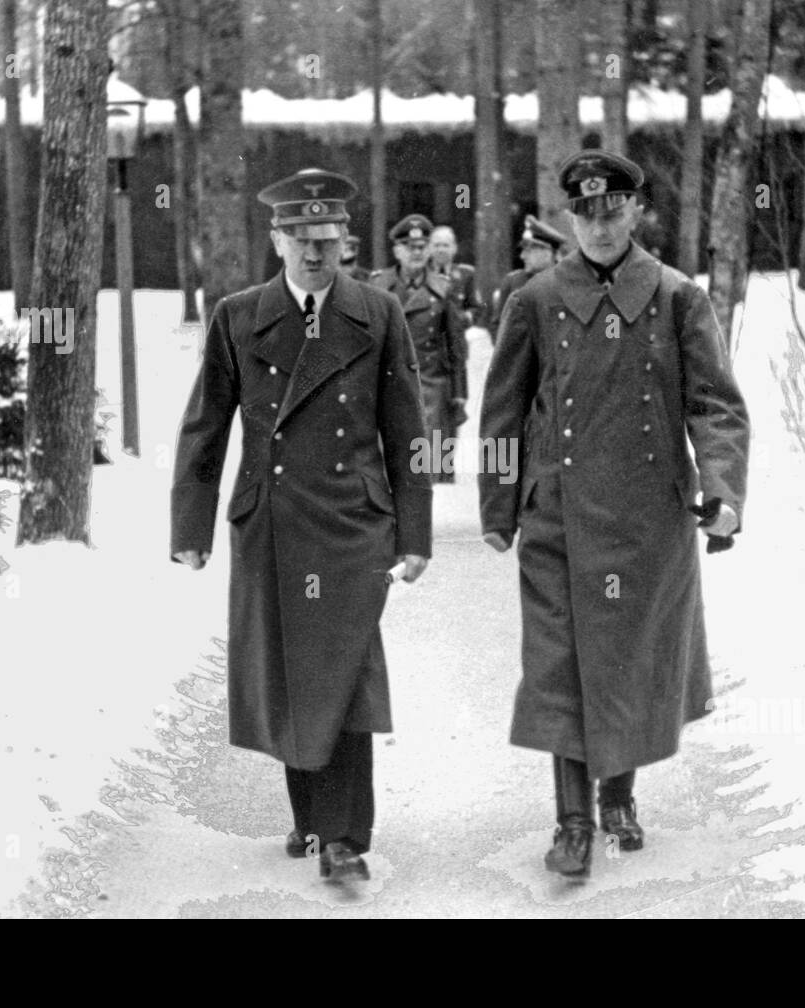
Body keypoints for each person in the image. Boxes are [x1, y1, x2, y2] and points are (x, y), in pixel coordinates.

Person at [478, 149, 751, 878]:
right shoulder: (534, 301)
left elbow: (716, 405)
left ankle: (619, 798)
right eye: (586, 213)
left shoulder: (678, 299)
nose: (599, 227)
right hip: (558, 518)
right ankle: (572, 823)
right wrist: (498, 505)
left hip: (646, 522)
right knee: (562, 667)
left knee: (629, 662)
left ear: (637, 212)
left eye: (613, 210)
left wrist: (721, 489)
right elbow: (501, 415)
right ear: (570, 217)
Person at [170, 168, 432, 884]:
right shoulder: (238, 315)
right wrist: (190, 526)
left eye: (329, 239)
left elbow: (408, 431)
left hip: (352, 524)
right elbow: (205, 429)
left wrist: (415, 534)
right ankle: (312, 816)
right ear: (277, 239)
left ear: (345, 242)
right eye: (301, 239)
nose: (316, 254)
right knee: (288, 671)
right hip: (272, 522)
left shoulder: (377, 314)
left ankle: (346, 836)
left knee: (344, 672)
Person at [370, 215, 469, 484]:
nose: (416, 253)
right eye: (409, 246)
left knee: (426, 465)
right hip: (389, 383)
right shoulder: (378, 286)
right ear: (396, 251)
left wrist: (459, 393)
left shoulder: (443, 288)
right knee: (390, 464)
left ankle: (420, 520)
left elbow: (455, 345)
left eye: (422, 246)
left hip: (431, 383)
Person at [493, 214, 567, 336]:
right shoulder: (512, 282)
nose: (522, 256)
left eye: (529, 250)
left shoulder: (569, 282)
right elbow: (498, 328)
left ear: (548, 252)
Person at [428, 225, 487, 330]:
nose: (441, 250)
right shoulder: (421, 274)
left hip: (457, 337)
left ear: (454, 248)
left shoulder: (466, 275)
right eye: (437, 245)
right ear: (429, 248)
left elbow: (476, 307)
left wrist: (464, 319)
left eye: (445, 245)